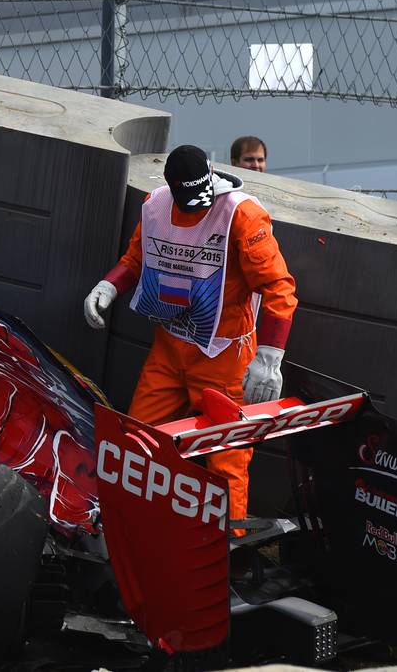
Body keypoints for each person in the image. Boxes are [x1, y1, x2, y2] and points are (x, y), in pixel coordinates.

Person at [84, 145, 297, 532]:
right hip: (169, 347)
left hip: (225, 355)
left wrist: (269, 358)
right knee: (137, 442)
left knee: (228, 460)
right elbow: (137, 259)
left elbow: (279, 287)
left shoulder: (242, 214)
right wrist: (108, 286)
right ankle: (130, 532)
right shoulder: (155, 206)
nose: (198, 207)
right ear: (171, 187)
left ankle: (229, 547)